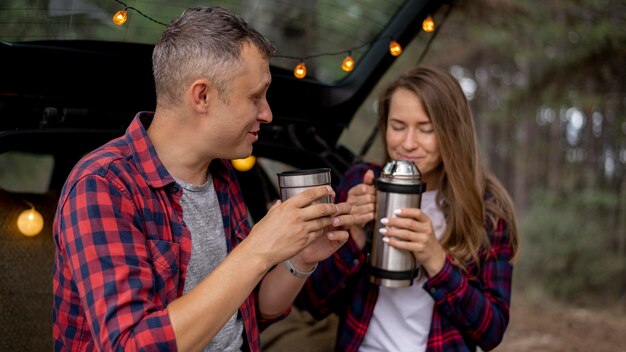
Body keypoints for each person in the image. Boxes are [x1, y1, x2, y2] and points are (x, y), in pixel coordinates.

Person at [52, 6, 353, 352]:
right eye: (255, 96)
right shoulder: (103, 186)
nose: (267, 113)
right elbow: (132, 346)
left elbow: (248, 311)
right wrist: (258, 249)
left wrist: (299, 260)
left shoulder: (221, 175)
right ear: (202, 96)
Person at [295, 66, 520, 352]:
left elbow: (491, 332)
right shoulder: (362, 182)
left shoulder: (487, 211)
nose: (408, 143)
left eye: (426, 129)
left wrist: (436, 260)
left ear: (452, 133)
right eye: (398, 126)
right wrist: (354, 235)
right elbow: (312, 302)